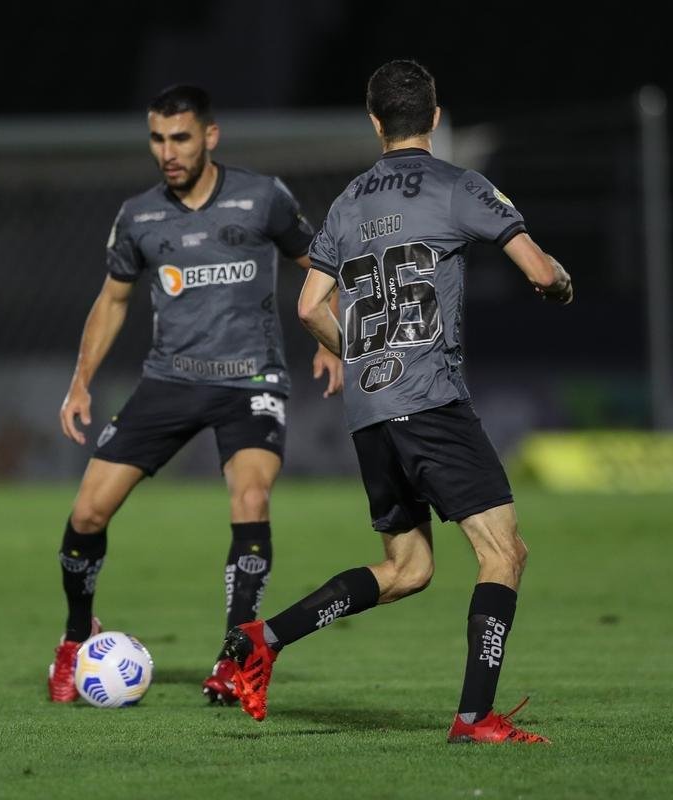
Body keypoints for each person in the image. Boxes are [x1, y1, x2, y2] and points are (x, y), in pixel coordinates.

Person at [220, 60, 572, 743]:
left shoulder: (348, 201)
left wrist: (358, 355)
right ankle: (474, 717)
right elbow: (537, 268)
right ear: (434, 117)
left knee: (408, 570)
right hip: (431, 402)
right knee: (504, 554)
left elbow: (309, 307)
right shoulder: (457, 185)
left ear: (374, 121)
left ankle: (263, 638)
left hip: (371, 414)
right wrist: (558, 282)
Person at [48, 85, 343, 704]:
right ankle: (76, 638)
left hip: (251, 380)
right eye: (157, 139)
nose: (168, 152)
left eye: (180, 137)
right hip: (170, 380)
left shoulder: (263, 197)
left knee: (251, 498)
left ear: (210, 136)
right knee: (87, 515)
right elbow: (113, 300)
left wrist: (328, 338)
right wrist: (81, 380)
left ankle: (237, 656)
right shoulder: (139, 216)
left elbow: (317, 264)